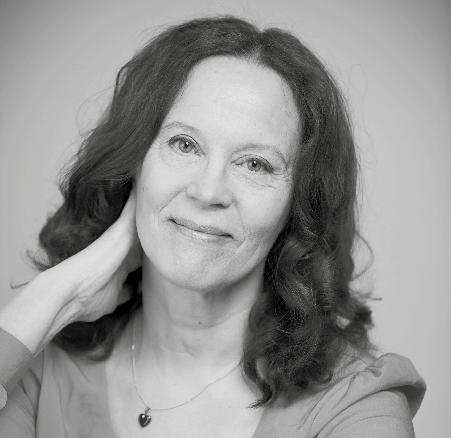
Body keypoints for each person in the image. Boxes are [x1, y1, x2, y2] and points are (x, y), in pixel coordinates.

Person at [0, 15, 425, 437]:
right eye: (184, 144)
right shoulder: (38, 367)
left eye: (255, 164)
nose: (208, 191)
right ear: (134, 164)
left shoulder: (354, 406)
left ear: (297, 205)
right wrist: (61, 293)